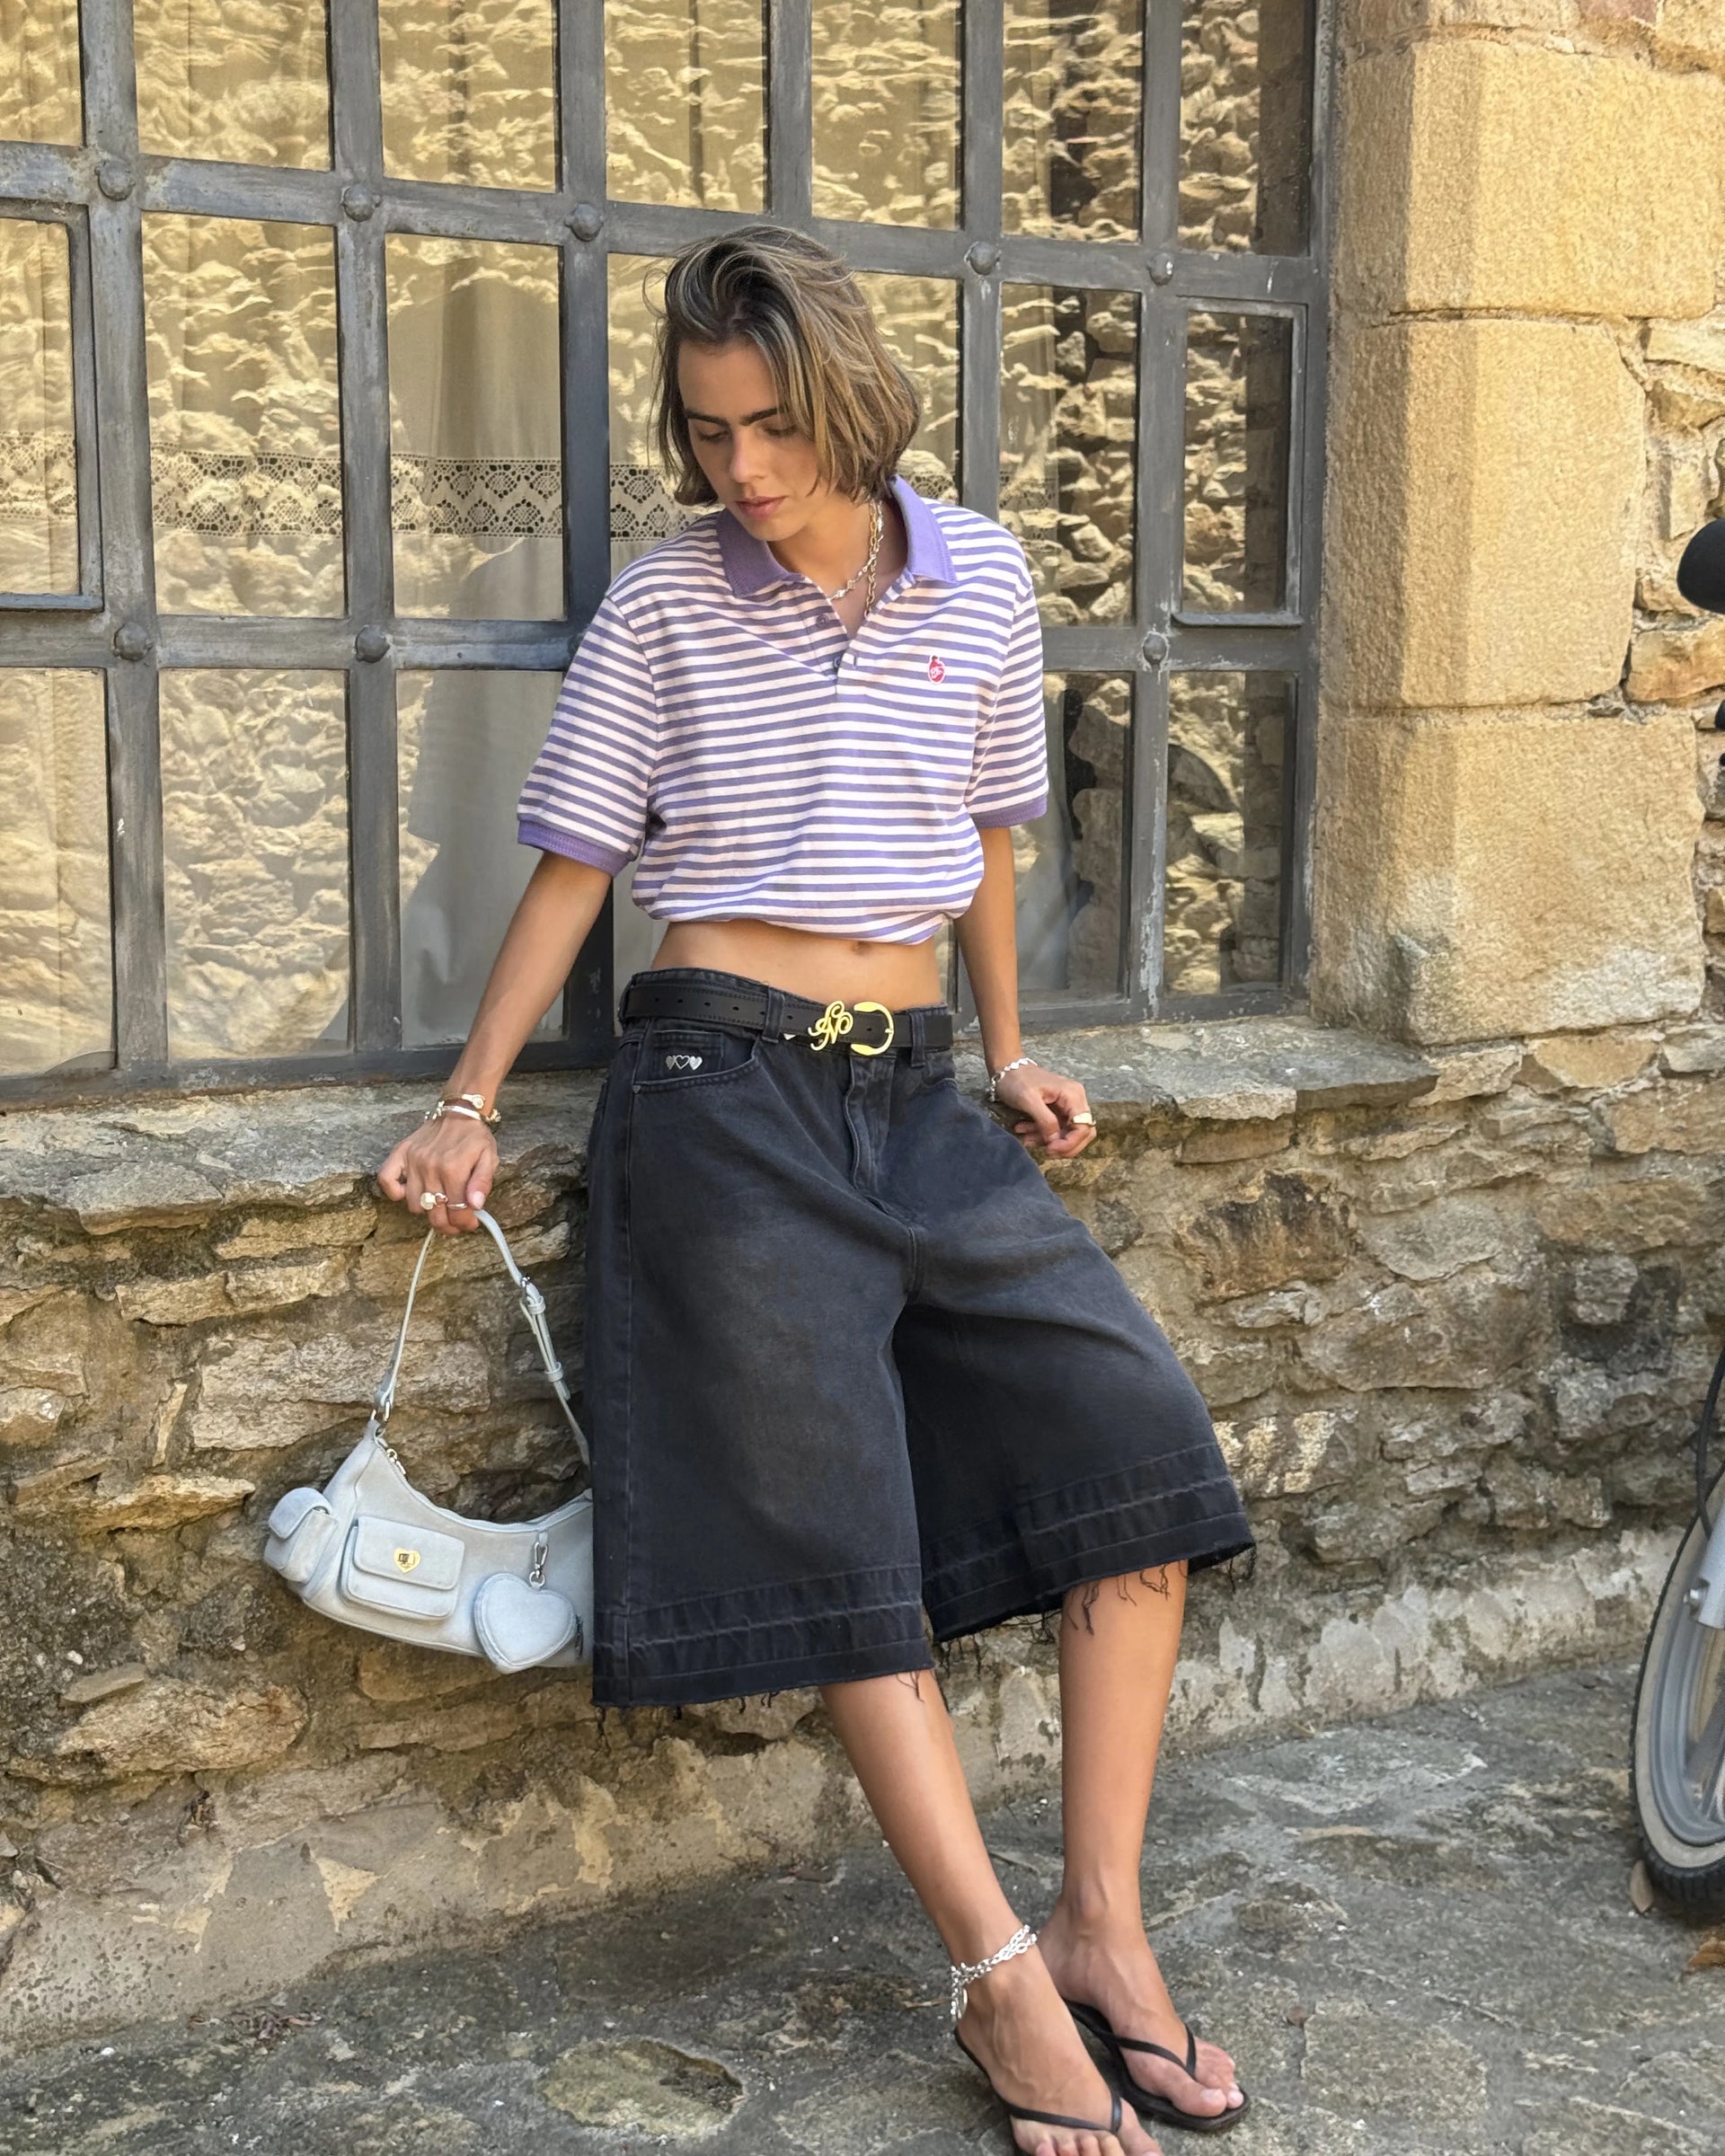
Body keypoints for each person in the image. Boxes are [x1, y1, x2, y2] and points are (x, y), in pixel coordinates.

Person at [376, 225, 1254, 2156]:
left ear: (853, 401)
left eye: (772, 428)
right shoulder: (666, 604)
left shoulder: (981, 576)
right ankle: (997, 1982)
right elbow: (579, 867)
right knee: (844, 1536)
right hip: (722, 1086)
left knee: (1140, 1453)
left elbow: (989, 840)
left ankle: (1102, 1928)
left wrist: (1011, 1048)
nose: (742, 471)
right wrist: (467, 1098)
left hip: (920, 1089)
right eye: (707, 434)